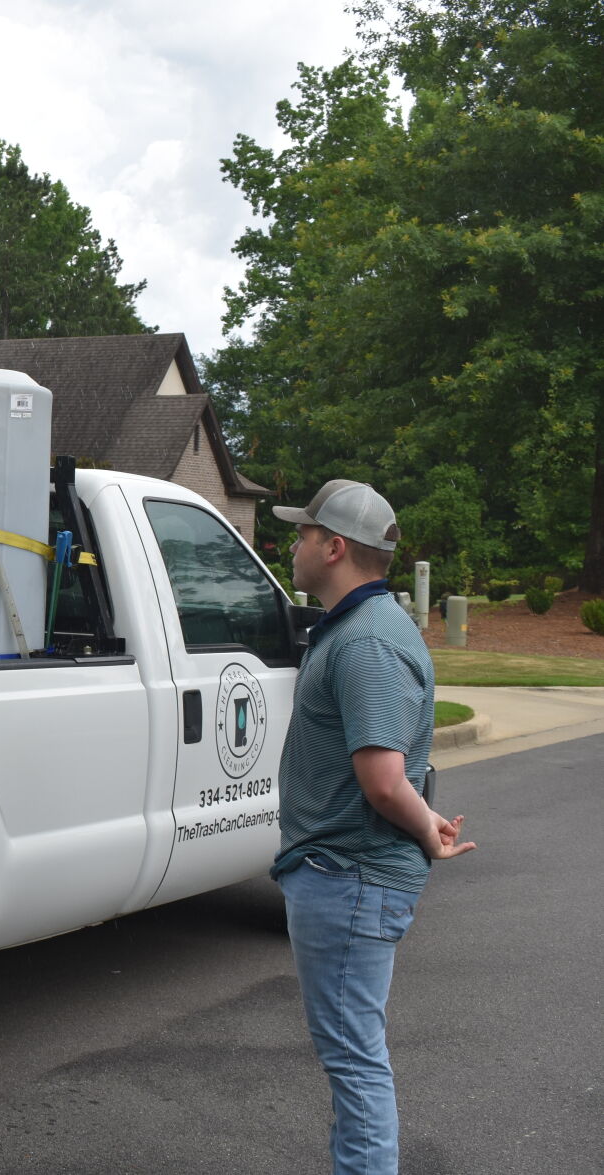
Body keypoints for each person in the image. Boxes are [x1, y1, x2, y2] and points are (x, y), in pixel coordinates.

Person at [270, 479, 477, 1175]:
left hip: (347, 877)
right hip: (344, 874)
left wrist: (426, 829)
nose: (291, 543)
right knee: (352, 1052)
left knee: (353, 1059)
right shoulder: (363, 627)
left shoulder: (367, 643)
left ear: (333, 548)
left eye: (302, 534)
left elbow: (384, 779)